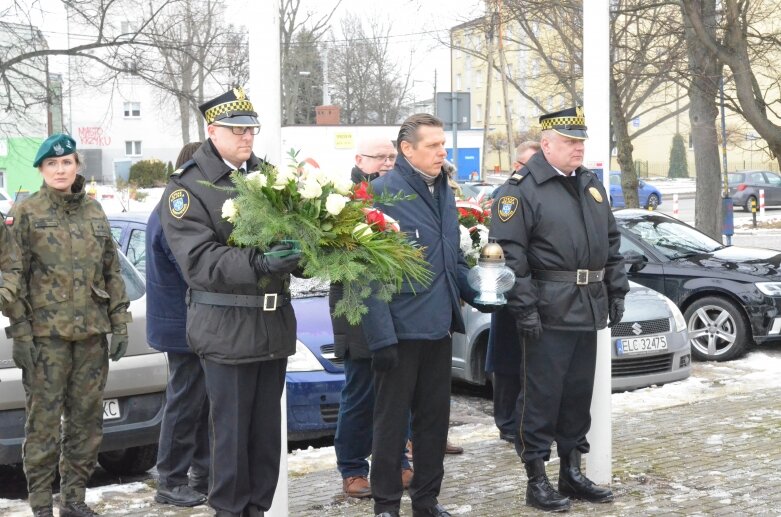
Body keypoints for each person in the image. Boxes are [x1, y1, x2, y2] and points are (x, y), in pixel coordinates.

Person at [159, 87, 301, 517]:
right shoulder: (188, 189)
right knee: (231, 442)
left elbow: (299, 233)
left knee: (264, 444)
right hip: (226, 329)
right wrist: (260, 260)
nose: (247, 137)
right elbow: (199, 261)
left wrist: (307, 253)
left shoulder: (269, 176)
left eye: (251, 130)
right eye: (237, 130)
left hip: (272, 328)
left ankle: (256, 510)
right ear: (212, 130)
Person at [489, 107, 629, 512]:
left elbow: (611, 243)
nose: (578, 148)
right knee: (540, 397)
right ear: (546, 144)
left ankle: (572, 471)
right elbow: (510, 256)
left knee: (576, 394)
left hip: (588, 306)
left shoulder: (589, 184)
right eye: (570, 141)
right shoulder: (520, 190)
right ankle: (537, 479)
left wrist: (616, 291)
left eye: (580, 141)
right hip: (548, 309)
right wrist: (525, 308)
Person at [363, 113, 494, 517]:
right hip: (399, 331)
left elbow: (449, 261)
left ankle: (427, 500)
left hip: (438, 326)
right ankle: (386, 505)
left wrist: (483, 293)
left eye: (443, 145)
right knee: (390, 425)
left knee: (434, 423)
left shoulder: (442, 193)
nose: (443, 152)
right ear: (407, 149)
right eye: (434, 145)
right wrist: (380, 336)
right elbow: (364, 273)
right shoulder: (380, 193)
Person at [7, 133, 131, 517]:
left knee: (87, 423)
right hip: (46, 340)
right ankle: (42, 505)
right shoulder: (26, 214)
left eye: (66, 163)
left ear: (77, 166)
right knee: (43, 426)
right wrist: (21, 332)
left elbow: (112, 269)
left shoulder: (94, 211)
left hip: (91, 336)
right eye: (52, 164)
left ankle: (74, 499)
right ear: (42, 170)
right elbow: (14, 277)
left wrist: (120, 322)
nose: (60, 170)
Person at [331, 138, 414, 499]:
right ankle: (352, 468)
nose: (386, 162)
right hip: (359, 311)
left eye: (392, 157)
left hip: (400, 310)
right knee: (360, 395)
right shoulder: (341, 201)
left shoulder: (399, 195)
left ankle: (399, 460)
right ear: (358, 159)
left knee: (400, 394)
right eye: (379, 157)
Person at [147, 142, 210, 508]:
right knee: (185, 403)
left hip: (186, 322)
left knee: (199, 402)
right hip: (183, 324)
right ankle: (170, 479)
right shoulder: (177, 209)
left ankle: (201, 472)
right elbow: (193, 266)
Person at [485, 141, 541, 443]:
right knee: (508, 360)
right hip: (510, 290)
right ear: (519, 166)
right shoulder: (507, 195)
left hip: (536, 288)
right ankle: (507, 422)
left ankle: (527, 419)